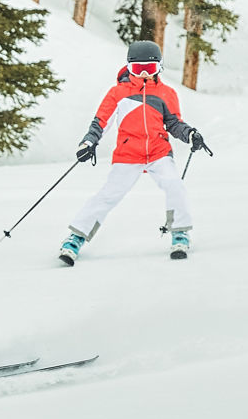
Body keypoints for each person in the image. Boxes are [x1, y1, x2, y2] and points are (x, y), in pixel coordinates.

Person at [58, 41, 208, 265]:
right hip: (128, 154)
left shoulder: (167, 93)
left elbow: (174, 123)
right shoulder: (118, 93)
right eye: (139, 69)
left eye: (150, 68)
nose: (145, 74)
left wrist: (191, 135)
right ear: (129, 68)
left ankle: (180, 232)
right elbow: (100, 123)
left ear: (159, 67)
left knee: (174, 185)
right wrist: (88, 143)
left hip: (158, 151)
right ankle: (76, 237)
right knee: (108, 195)